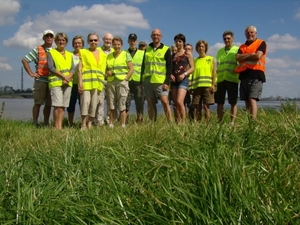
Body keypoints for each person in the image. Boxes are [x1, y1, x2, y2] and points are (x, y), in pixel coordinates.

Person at [21, 29, 54, 126]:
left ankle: (46, 123)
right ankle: (35, 123)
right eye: (47, 36)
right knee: (38, 103)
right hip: (40, 80)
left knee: (49, 104)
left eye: (51, 36)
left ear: (53, 38)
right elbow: (25, 60)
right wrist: (31, 73)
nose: (49, 38)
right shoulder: (38, 49)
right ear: (43, 38)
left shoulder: (55, 50)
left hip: (52, 81)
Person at [141, 28, 173, 123]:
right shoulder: (147, 49)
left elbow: (169, 66)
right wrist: (141, 81)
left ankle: (170, 123)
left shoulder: (166, 49)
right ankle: (152, 124)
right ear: (151, 36)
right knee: (150, 103)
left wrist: (167, 82)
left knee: (165, 102)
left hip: (160, 81)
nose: (156, 36)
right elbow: (143, 65)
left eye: (158, 35)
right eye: (154, 35)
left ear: (161, 37)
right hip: (148, 80)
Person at [236, 26, 267, 120]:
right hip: (244, 75)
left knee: (252, 99)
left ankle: (253, 122)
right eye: (248, 33)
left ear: (255, 33)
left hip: (256, 75)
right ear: (245, 34)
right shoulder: (242, 46)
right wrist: (251, 54)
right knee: (246, 101)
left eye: (252, 32)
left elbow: (258, 56)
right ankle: (249, 121)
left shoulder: (261, 43)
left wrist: (244, 56)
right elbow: (237, 58)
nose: (250, 34)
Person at [78, 32, 106, 129]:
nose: (93, 42)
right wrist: (80, 84)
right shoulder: (84, 52)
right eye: (91, 40)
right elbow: (79, 69)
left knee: (94, 105)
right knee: (85, 103)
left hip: (98, 84)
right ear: (88, 42)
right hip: (86, 83)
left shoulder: (103, 55)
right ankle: (83, 124)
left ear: (98, 41)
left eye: (95, 40)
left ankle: (90, 123)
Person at [47, 32, 75, 130]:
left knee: (63, 106)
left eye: (63, 40)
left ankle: (61, 126)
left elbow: (73, 68)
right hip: (56, 83)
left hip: (68, 83)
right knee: (57, 106)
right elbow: (50, 67)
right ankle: (56, 126)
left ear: (66, 42)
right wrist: (64, 77)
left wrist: (69, 77)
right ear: (56, 42)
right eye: (59, 40)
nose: (61, 42)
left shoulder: (70, 54)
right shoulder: (51, 53)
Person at [106, 36, 134, 128]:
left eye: (118, 44)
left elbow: (131, 69)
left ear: (121, 45)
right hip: (111, 82)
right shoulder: (109, 56)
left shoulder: (126, 54)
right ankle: (111, 124)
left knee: (122, 105)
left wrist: (126, 78)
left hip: (122, 82)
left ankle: (122, 124)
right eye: (114, 44)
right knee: (111, 104)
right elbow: (106, 69)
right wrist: (107, 72)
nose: (116, 46)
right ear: (112, 45)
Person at [215, 31, 239, 124]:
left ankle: (232, 123)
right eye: (225, 39)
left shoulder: (237, 49)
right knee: (220, 103)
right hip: (221, 79)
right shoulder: (219, 51)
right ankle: (219, 122)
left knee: (233, 102)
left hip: (232, 79)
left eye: (228, 38)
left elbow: (240, 64)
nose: (226, 40)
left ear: (233, 39)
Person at [190, 40, 216, 124]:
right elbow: (192, 73)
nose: (201, 48)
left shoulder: (210, 59)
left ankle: (207, 125)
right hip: (197, 86)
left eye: (202, 46)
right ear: (197, 49)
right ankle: (198, 124)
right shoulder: (195, 60)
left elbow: (214, 72)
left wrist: (213, 85)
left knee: (206, 107)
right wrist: (191, 86)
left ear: (205, 48)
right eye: (199, 46)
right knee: (198, 107)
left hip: (207, 86)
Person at [170, 34, 194, 123]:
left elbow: (192, 68)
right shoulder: (173, 55)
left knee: (180, 102)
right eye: (176, 41)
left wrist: (184, 74)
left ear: (183, 42)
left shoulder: (187, 54)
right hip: (174, 81)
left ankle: (183, 123)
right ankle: (177, 122)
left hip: (183, 80)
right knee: (175, 103)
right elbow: (171, 68)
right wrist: (170, 75)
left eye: (180, 41)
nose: (178, 43)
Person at [94, 32, 114, 126]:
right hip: (100, 79)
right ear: (103, 40)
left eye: (110, 39)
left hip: (111, 79)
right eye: (106, 39)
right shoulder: (97, 50)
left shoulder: (114, 51)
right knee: (100, 101)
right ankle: (99, 122)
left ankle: (110, 120)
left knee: (111, 102)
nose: (108, 41)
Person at [125, 33, 145, 123]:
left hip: (139, 81)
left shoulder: (143, 53)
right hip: (127, 80)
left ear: (136, 41)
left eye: (134, 40)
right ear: (128, 41)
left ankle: (140, 119)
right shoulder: (124, 53)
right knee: (126, 101)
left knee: (139, 102)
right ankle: (125, 120)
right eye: (131, 40)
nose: (132, 42)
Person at [67, 35, 84, 127]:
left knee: (83, 104)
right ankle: (70, 123)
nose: (77, 45)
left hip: (83, 83)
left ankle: (83, 123)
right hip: (72, 83)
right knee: (71, 104)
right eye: (75, 43)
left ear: (83, 44)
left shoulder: (86, 54)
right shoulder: (69, 55)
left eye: (79, 43)